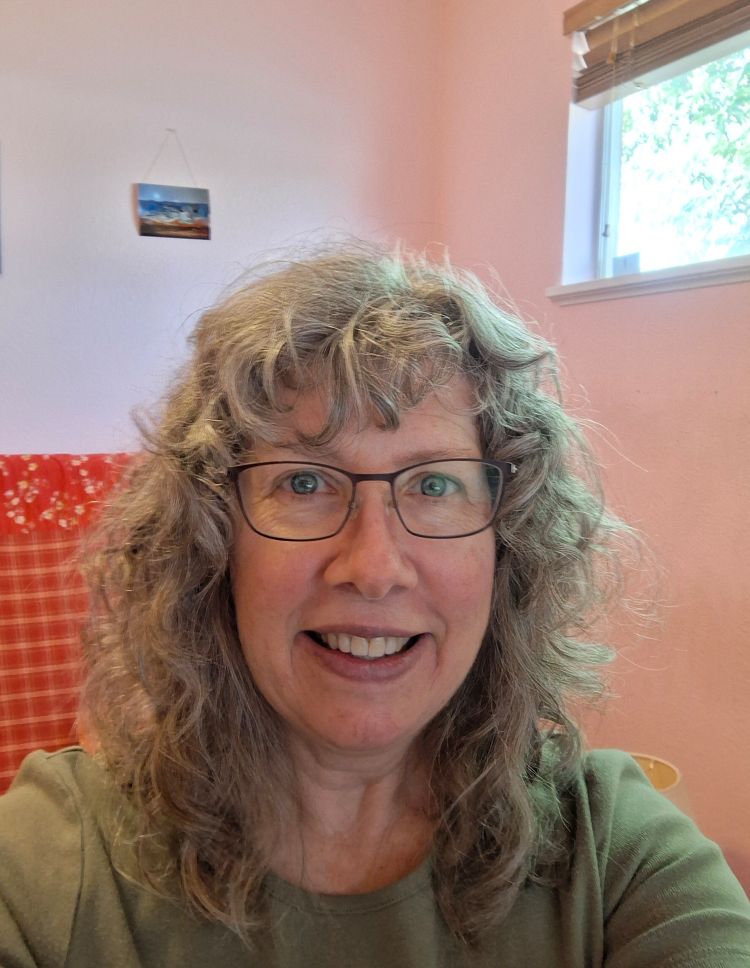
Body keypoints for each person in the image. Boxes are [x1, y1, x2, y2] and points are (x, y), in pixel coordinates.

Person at [1, 241, 748, 968]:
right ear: (210, 544)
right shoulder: (53, 870)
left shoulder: (613, 855)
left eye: (433, 485)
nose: (373, 568)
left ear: (507, 549)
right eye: (303, 482)